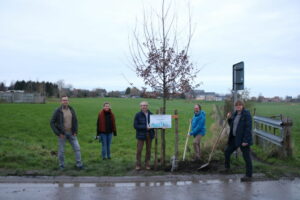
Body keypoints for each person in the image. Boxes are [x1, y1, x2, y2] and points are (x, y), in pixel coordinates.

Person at [50, 96, 83, 170]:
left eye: (66, 100)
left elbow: (75, 121)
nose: (65, 101)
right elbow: (52, 122)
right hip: (62, 134)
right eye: (63, 100)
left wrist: (75, 131)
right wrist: (58, 133)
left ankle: (79, 165)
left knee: (77, 148)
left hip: (72, 133)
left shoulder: (71, 109)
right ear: (61, 102)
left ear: (68, 101)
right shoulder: (58, 111)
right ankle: (61, 165)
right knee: (61, 151)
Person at [224, 100, 253, 181]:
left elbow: (248, 128)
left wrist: (246, 140)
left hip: (243, 139)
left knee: (246, 157)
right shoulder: (235, 114)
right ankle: (227, 168)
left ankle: (248, 175)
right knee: (227, 151)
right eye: (237, 105)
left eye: (240, 105)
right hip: (234, 138)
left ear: (243, 106)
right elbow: (232, 125)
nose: (238, 106)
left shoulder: (246, 114)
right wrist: (229, 119)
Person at [133, 101, 154, 170]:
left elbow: (155, 124)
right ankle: (138, 164)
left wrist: (162, 126)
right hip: (141, 135)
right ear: (140, 107)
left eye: (145, 105)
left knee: (148, 150)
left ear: (147, 106)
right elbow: (135, 126)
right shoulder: (137, 115)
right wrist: (145, 127)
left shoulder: (151, 114)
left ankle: (147, 164)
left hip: (149, 134)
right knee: (139, 150)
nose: (144, 107)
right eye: (142, 105)